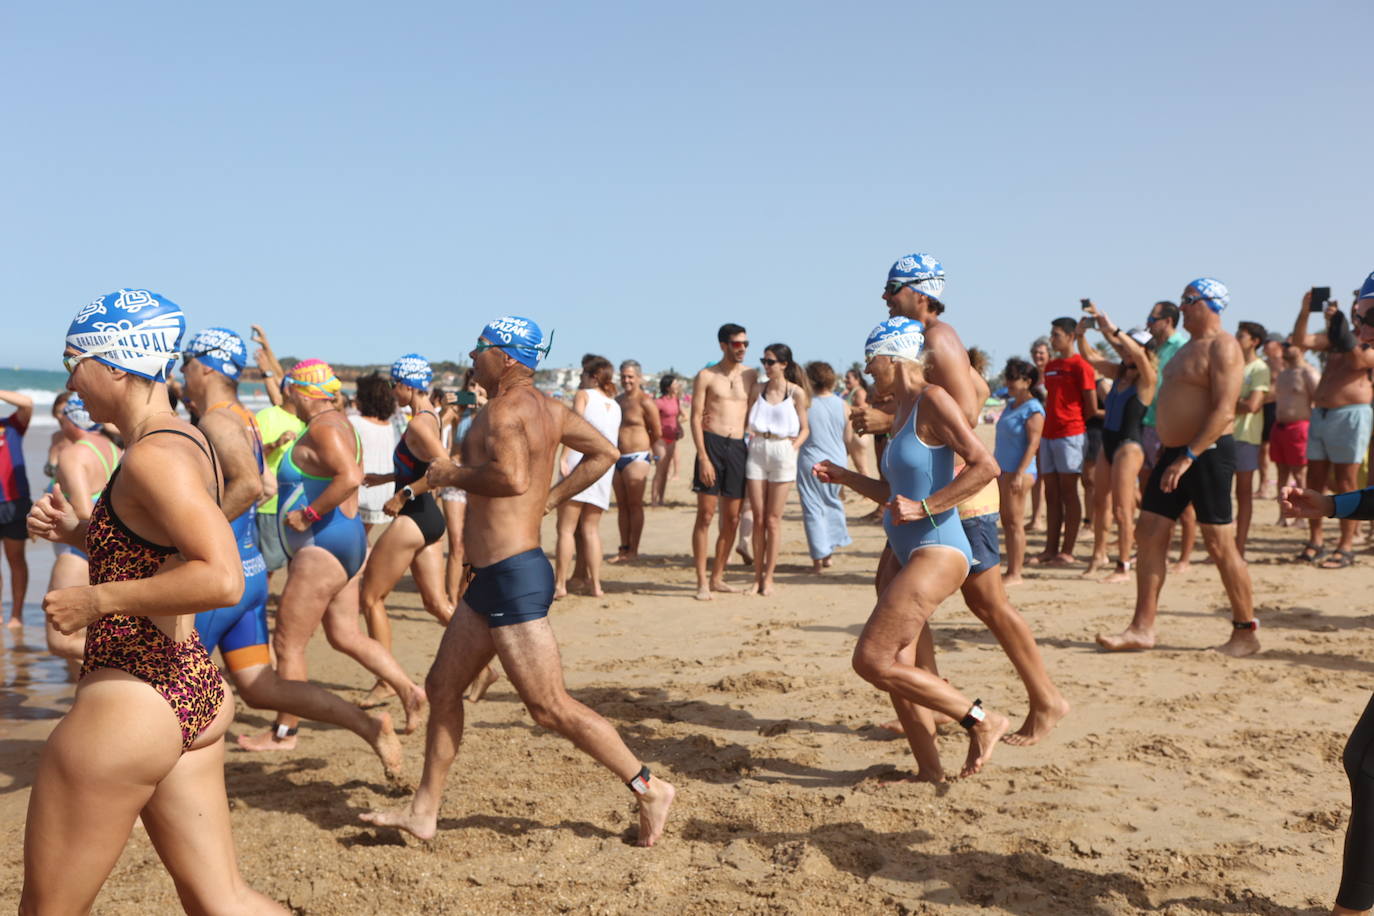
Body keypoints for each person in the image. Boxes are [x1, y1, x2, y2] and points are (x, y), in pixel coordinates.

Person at [362, 315, 676, 845]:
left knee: (548, 707)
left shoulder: (503, 410)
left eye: (479, 348)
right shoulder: (548, 408)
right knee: (442, 687)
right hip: (492, 577)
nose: (470, 355)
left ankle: (648, 787)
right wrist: (551, 500)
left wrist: (448, 475)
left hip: (512, 577)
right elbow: (605, 453)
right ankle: (423, 811)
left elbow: (511, 478)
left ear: (506, 356)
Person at [24, 288, 283, 913]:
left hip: (132, 702)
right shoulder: (180, 441)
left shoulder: (153, 457)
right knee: (220, 899)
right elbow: (161, 547)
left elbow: (219, 576)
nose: (69, 378)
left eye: (73, 360)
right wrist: (82, 534)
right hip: (188, 685)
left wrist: (96, 601)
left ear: (116, 363)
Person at [857, 252, 1068, 746]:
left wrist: (888, 423)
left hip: (956, 494)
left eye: (893, 289)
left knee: (986, 601)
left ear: (921, 293)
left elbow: (964, 416)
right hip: (933, 492)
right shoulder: (919, 343)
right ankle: (933, 703)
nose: (885, 298)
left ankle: (1044, 699)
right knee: (909, 598)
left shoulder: (939, 338)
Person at [178, 329, 403, 774]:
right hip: (252, 572)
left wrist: (185, 536)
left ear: (204, 366)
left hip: (221, 580)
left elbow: (246, 487)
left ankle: (168, 785)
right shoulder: (244, 418)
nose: (180, 373)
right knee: (261, 689)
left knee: (173, 682)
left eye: (185, 364)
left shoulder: (217, 422)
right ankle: (368, 725)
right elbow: (261, 483)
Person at [814, 317, 1008, 780]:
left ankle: (983, 720)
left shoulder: (932, 400)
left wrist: (927, 508)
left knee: (872, 659)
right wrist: (846, 478)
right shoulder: (901, 412)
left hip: (937, 550)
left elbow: (985, 466)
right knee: (896, 667)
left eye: (870, 362)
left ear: (892, 357)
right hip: (905, 550)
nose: (867, 372)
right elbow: (894, 494)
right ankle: (929, 770)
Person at [243, 358, 427, 748]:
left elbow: (351, 477)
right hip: (344, 543)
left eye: (287, 389)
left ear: (296, 390)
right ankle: (409, 690)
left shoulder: (326, 428)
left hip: (322, 548)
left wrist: (309, 514)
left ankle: (284, 732)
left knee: (287, 645)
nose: (284, 396)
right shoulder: (339, 423)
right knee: (344, 633)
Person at [1097, 278, 1259, 656]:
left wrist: (1190, 455)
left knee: (1220, 543)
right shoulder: (1187, 347)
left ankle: (1245, 631)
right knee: (1149, 532)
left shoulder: (1224, 346)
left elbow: (1223, 409)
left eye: (1188, 300)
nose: (1181, 307)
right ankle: (1141, 628)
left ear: (1211, 304)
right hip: (1173, 453)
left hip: (1207, 452)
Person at [356, 355, 455, 706]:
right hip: (429, 519)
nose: (391, 391)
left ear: (408, 385)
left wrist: (402, 495)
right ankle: (485, 666)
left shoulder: (418, 425)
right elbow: (420, 465)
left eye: (394, 384)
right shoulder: (427, 417)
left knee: (370, 598)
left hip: (414, 516)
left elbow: (444, 468)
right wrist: (385, 479)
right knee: (436, 604)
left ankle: (385, 681)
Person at [1291, 289, 1374, 569]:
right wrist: (1305, 311)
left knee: (1346, 482)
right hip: (1322, 414)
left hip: (1351, 414)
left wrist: (1341, 328)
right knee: (1314, 480)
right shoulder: (1337, 340)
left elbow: (1360, 361)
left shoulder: (1363, 343)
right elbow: (1301, 341)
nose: (1357, 317)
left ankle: (1346, 545)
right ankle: (1316, 540)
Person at [1076, 305, 1157, 582]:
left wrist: (1113, 330)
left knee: (1123, 509)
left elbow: (1135, 353)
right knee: (1100, 504)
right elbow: (1089, 357)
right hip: (1108, 443)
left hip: (1129, 445)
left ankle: (1124, 564)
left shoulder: (1147, 379)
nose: (1125, 353)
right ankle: (1099, 555)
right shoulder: (1118, 373)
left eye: (1132, 349)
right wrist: (1080, 334)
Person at [42, 395, 121, 661]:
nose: (59, 422)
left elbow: (84, 512)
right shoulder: (112, 447)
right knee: (92, 630)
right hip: (113, 549)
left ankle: (135, 657)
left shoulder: (74, 454)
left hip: (80, 550)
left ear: (72, 419)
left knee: (60, 641)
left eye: (62, 416)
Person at [690, 324, 758, 600]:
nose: (741, 348)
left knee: (731, 518)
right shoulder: (706, 376)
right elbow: (695, 416)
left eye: (745, 344)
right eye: (736, 344)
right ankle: (701, 581)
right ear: (723, 345)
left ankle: (717, 576)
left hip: (738, 446)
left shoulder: (752, 375)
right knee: (705, 515)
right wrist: (703, 456)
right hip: (712, 443)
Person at [745, 343, 810, 595]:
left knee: (773, 519)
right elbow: (744, 419)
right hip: (758, 447)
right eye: (764, 360)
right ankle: (756, 577)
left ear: (784, 364)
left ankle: (769, 577)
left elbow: (805, 427)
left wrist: (793, 446)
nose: (766, 366)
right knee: (758, 518)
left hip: (782, 449)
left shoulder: (796, 393)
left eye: (771, 361)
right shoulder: (757, 389)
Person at [1032, 317, 1097, 566]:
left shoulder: (1082, 366)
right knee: (1051, 493)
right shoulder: (1050, 366)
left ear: (1071, 336)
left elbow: (1090, 407)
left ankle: (1067, 550)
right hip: (1048, 435)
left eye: (1056, 334)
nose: (1052, 338)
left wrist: (1069, 421)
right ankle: (1050, 548)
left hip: (1071, 433)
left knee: (1069, 493)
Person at [554, 356, 621, 598]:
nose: (581, 379)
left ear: (592, 377)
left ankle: (560, 583)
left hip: (579, 463)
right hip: (603, 470)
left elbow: (574, 427)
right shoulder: (615, 405)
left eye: (583, 374)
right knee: (591, 530)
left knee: (565, 529)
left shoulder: (584, 394)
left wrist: (563, 458)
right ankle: (596, 585)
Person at [1141, 301, 1198, 572]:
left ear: (1168, 320)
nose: (1148, 322)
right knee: (1155, 498)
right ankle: (1163, 552)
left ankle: (1185, 557)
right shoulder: (1154, 348)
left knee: (1182, 499)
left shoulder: (1184, 347)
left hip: (1176, 430)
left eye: (1153, 317)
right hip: (1151, 424)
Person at [797, 361, 851, 573]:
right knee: (832, 503)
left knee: (813, 508)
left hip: (811, 459)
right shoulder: (843, 405)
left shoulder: (806, 404)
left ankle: (818, 558)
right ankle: (828, 553)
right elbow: (848, 438)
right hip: (837, 459)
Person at [439, 370, 486, 606]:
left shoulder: (493, 410)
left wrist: (485, 404)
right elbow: (437, 424)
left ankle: (464, 594)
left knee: (475, 545)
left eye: (479, 386)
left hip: (481, 480)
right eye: (471, 385)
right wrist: (446, 406)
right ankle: (451, 600)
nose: (474, 391)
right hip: (457, 475)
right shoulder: (460, 409)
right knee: (456, 543)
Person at [994, 359, 1043, 586]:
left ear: (1028, 381)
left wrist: (1019, 473)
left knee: (1015, 522)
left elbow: (1033, 444)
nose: (1009, 382)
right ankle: (1010, 568)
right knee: (1006, 521)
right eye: (1008, 377)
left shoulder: (1034, 409)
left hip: (1019, 473)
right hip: (1003, 470)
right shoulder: (1011, 404)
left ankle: (1016, 573)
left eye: (1014, 378)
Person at [612, 359, 661, 562]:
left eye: (630, 376)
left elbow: (656, 430)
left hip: (637, 456)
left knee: (635, 505)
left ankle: (634, 549)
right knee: (622, 505)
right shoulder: (618, 400)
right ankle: (624, 548)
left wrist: (646, 448)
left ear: (639, 378)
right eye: (623, 376)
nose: (627, 380)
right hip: (617, 457)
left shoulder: (645, 401)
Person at [1231, 321, 1272, 558]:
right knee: (1221, 494)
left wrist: (1226, 404)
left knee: (1243, 494)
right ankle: (1227, 546)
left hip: (1246, 437)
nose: (1237, 338)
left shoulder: (1259, 368)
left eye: (1241, 335)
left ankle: (1239, 547)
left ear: (1254, 341)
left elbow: (1253, 405)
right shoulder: (1233, 365)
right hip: (1224, 434)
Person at [1270, 338, 1318, 528]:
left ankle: (1301, 516)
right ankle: (1283, 515)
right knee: (1281, 473)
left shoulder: (1308, 373)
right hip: (1280, 427)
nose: (1285, 349)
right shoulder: (1283, 374)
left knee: (1299, 474)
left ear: (1302, 347)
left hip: (1299, 427)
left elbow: (1319, 401)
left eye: (1290, 345)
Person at [0, 388, 34, 628]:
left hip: (14, 501)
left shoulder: (11, 425)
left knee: (16, 559)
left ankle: (17, 614)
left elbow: (27, 403)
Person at [349, 372, 399, 536]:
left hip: (362, 489)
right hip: (383, 491)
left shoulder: (354, 422)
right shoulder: (392, 426)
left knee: (356, 539)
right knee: (362, 537)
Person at [1027, 337, 1051, 531]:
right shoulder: (1031, 377)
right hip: (1034, 430)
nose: (1038, 356)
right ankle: (1036, 517)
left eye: (1041, 352)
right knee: (1037, 476)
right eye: (1035, 353)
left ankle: (1043, 517)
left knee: (1048, 477)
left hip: (1051, 429)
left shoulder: (1053, 374)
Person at [1258, 333, 1285, 497]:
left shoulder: (1287, 364)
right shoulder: (1262, 365)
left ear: (1279, 344)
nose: (1265, 344)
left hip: (1282, 409)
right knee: (1263, 449)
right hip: (1265, 408)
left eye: (1269, 341)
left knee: (1283, 452)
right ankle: (1263, 485)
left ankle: (1283, 487)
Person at [651, 374, 683, 507]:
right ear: (668, 386)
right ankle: (653, 500)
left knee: (665, 471)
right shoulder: (658, 402)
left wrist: (680, 428)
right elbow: (651, 420)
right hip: (660, 440)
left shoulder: (676, 400)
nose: (677, 385)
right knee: (660, 469)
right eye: (675, 383)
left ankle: (661, 499)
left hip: (672, 438)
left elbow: (676, 417)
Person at [841, 368, 873, 480]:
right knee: (839, 461)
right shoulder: (850, 393)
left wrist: (845, 407)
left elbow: (864, 409)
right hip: (851, 435)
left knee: (861, 466)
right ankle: (840, 492)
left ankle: (868, 495)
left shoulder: (859, 392)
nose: (845, 380)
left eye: (848, 377)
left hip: (857, 434)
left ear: (857, 379)